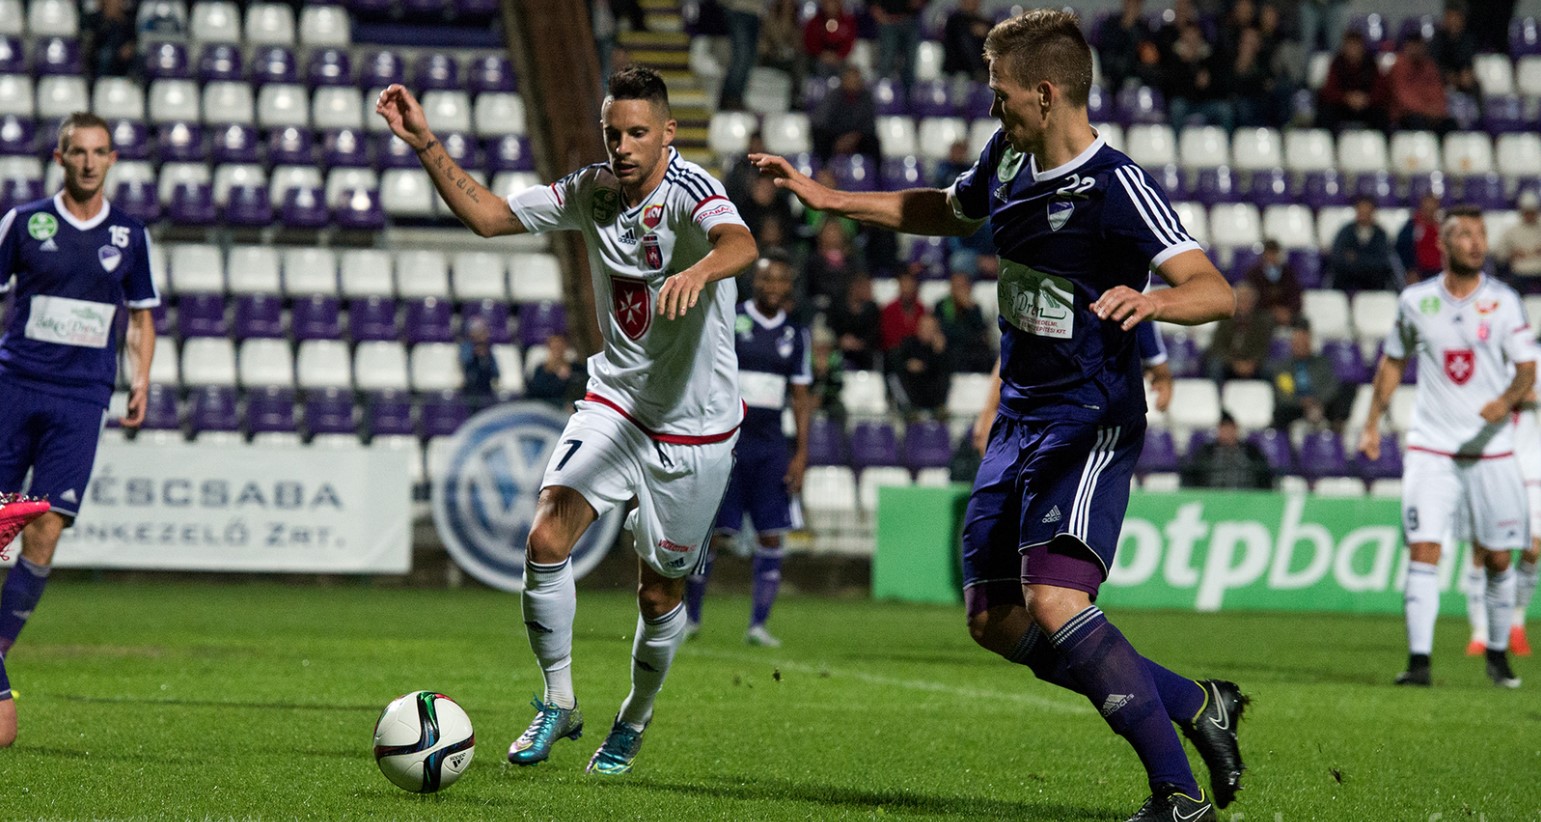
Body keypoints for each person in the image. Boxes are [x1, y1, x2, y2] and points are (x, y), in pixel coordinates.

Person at [751, 11, 1242, 819]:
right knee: (994, 618)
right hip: (1018, 416)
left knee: (1055, 601)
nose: (992, 108)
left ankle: (1176, 796)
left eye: (1000, 93)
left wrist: (1153, 300)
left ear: (1045, 94)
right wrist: (829, 198)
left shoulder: (1114, 184)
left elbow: (1214, 291)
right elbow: (947, 210)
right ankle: (1195, 703)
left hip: (1087, 418)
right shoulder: (1007, 157)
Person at [375, 65, 758, 775]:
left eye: (637, 133)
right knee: (546, 535)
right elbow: (490, 217)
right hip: (617, 401)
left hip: (695, 427)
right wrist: (425, 143)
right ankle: (558, 701)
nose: (623, 146)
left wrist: (698, 271)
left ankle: (634, 717)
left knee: (658, 593)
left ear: (668, 133)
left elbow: (740, 244)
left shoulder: (692, 190)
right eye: (613, 133)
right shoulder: (592, 191)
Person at [0, 111, 158, 747]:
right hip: (14, 386)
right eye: (78, 152)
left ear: (112, 159)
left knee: (46, 525)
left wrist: (140, 380)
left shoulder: (130, 234)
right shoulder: (24, 222)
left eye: (99, 152)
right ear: (60, 158)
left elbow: (142, 316)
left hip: (81, 398)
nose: (89, 162)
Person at [1357, 205, 1530, 690]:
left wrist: (1504, 402)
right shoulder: (1416, 301)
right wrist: (1371, 423)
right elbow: (1393, 362)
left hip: (1491, 451)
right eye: (1466, 234)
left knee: (1498, 559)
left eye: (1481, 234)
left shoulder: (1504, 302)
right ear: (1445, 243)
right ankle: (1419, 664)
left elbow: (1526, 369)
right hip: (1432, 450)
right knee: (1424, 550)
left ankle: (1497, 654)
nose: (1477, 243)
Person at [685, 251, 812, 647]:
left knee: (771, 535)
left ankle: (758, 625)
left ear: (788, 286)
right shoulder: (731, 320)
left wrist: (801, 453)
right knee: (710, 534)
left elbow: (801, 397)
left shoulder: (796, 334)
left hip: (771, 446)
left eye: (780, 280)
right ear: (754, 282)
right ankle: (690, 620)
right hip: (728, 441)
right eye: (766, 279)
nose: (773, 287)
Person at [1266, 319, 1349, 430]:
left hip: (1321, 404)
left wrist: (1316, 400)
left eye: (1304, 343)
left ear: (1310, 343)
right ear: (1292, 344)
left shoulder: (1323, 363)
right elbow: (1283, 393)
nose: (1301, 346)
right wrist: (1302, 402)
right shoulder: (1283, 368)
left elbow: (1331, 386)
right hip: (1295, 407)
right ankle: (1283, 439)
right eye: (1298, 343)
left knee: (1341, 399)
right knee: (1281, 411)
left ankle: (1335, 435)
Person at [1316, 30, 1389, 132]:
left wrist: (1366, 99)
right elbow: (1329, 90)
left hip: (1366, 106)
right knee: (1326, 114)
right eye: (1350, 46)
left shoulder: (1371, 64)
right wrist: (1346, 98)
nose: (1353, 49)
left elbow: (1380, 89)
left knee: (1381, 115)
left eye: (1356, 46)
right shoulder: (1337, 64)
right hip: (1343, 106)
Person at [1179, 413, 1274, 490]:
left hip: (1246, 500)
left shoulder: (1252, 452)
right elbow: (1193, 476)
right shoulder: (1206, 452)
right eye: (1223, 428)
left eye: (1230, 428)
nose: (1227, 432)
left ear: (1236, 429)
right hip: (1213, 500)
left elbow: (1264, 477)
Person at [810, 65, 880, 164]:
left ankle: (875, 171)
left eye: (856, 80)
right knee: (820, 136)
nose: (853, 83)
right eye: (850, 79)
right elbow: (820, 121)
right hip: (836, 136)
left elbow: (869, 124)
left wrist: (853, 138)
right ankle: (823, 168)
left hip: (857, 137)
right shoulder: (833, 97)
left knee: (873, 142)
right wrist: (840, 140)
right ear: (844, 80)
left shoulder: (866, 98)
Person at [1386, 35, 1455, 135]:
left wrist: (1438, 109)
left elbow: (1438, 92)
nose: (1416, 50)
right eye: (1413, 46)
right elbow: (1404, 98)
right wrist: (1427, 111)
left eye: (1418, 46)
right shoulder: (1399, 66)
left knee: (1450, 125)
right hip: (1406, 115)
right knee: (1417, 123)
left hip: (1431, 114)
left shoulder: (1429, 66)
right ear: (1406, 47)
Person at [1328, 196, 1399, 292]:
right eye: (1361, 211)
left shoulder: (1380, 234)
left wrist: (1356, 258)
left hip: (1373, 282)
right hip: (1347, 279)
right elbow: (1338, 258)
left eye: (1367, 212)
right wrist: (1367, 259)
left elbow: (1382, 262)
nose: (1363, 215)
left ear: (1373, 212)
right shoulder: (1346, 232)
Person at [1206, 282, 1273, 382]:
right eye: (1241, 300)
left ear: (1254, 302)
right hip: (1229, 362)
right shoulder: (1225, 318)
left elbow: (1264, 347)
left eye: (1247, 300)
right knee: (1215, 366)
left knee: (1270, 369)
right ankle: (1218, 392)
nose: (1244, 304)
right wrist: (1234, 363)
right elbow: (1217, 346)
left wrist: (1252, 363)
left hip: (1253, 363)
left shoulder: (1263, 321)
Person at [935, 271, 995, 373]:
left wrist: (969, 310)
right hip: (950, 348)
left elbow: (980, 331)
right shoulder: (942, 306)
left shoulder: (974, 308)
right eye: (957, 287)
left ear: (969, 288)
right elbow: (943, 329)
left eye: (963, 287)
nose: (960, 291)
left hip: (971, 350)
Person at [894, 312, 950, 417]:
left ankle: (938, 410)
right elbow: (897, 364)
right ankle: (909, 410)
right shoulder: (908, 343)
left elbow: (943, 369)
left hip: (934, 395)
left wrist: (938, 353)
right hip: (912, 392)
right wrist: (907, 365)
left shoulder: (941, 349)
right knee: (895, 378)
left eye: (930, 328)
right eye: (924, 327)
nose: (926, 331)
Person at [1240, 239, 1303, 326]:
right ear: (1264, 255)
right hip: (1262, 312)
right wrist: (1273, 311)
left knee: (1302, 322)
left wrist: (1288, 310)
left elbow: (1295, 295)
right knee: (1265, 320)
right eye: (1269, 253)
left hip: (1286, 312)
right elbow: (1251, 297)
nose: (1272, 257)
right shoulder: (1254, 274)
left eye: (1274, 253)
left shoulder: (1288, 272)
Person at [827, 271, 881, 369]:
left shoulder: (872, 308)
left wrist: (860, 343)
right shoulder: (837, 305)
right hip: (839, 348)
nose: (870, 291)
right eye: (866, 287)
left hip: (864, 352)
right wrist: (840, 340)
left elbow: (874, 332)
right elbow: (830, 326)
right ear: (856, 287)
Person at [718, 0, 765, 111]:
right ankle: (730, 98)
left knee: (748, 58)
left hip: (755, 12)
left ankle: (735, 97)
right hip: (738, 10)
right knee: (742, 56)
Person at [526, 332, 587, 407]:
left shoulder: (576, 368)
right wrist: (554, 376)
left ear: (566, 347)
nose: (557, 350)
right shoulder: (541, 369)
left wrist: (568, 376)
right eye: (554, 347)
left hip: (569, 406)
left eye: (560, 347)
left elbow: (581, 388)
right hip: (545, 406)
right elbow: (535, 392)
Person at [802, 0, 858, 78]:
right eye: (827, 3)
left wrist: (838, 55)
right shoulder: (814, 22)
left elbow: (849, 42)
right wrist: (821, 54)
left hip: (841, 58)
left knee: (847, 68)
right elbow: (810, 42)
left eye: (833, 3)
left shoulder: (848, 21)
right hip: (819, 58)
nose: (830, 6)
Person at [1396, 193, 1444, 285]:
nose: (1429, 212)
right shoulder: (1411, 226)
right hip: (1418, 272)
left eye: (1432, 210)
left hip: (1439, 272)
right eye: (1426, 209)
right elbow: (1401, 249)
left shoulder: (1441, 228)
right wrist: (1410, 270)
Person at [1495, 190, 1541, 283]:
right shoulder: (1512, 230)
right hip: (1520, 273)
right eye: (1527, 212)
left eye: (1532, 212)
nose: (1529, 215)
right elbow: (1499, 254)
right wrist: (1511, 254)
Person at [878, 267, 925, 355]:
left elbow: (924, 338)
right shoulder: (889, 310)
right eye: (904, 285)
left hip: (918, 354)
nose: (906, 288)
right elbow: (888, 340)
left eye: (909, 285)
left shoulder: (922, 310)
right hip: (895, 355)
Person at [942, 0, 992, 81]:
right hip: (957, 74)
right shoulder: (954, 21)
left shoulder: (987, 23)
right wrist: (971, 30)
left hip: (986, 73)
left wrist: (987, 33)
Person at [459, 318, 500, 411]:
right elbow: (465, 363)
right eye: (480, 332)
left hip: (486, 389)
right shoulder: (466, 347)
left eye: (484, 332)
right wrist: (475, 355)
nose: (484, 335)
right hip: (470, 391)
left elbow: (496, 373)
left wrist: (487, 358)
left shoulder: (488, 350)